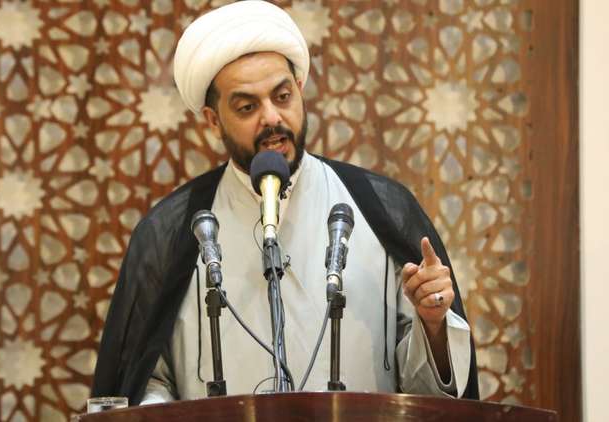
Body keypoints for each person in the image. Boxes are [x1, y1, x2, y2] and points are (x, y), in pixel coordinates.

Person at [92, 0, 478, 404]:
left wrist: (433, 326)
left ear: (301, 91)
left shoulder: (380, 209)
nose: (272, 118)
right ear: (213, 120)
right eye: (247, 107)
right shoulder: (171, 232)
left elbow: (428, 399)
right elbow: (146, 383)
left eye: (282, 96)